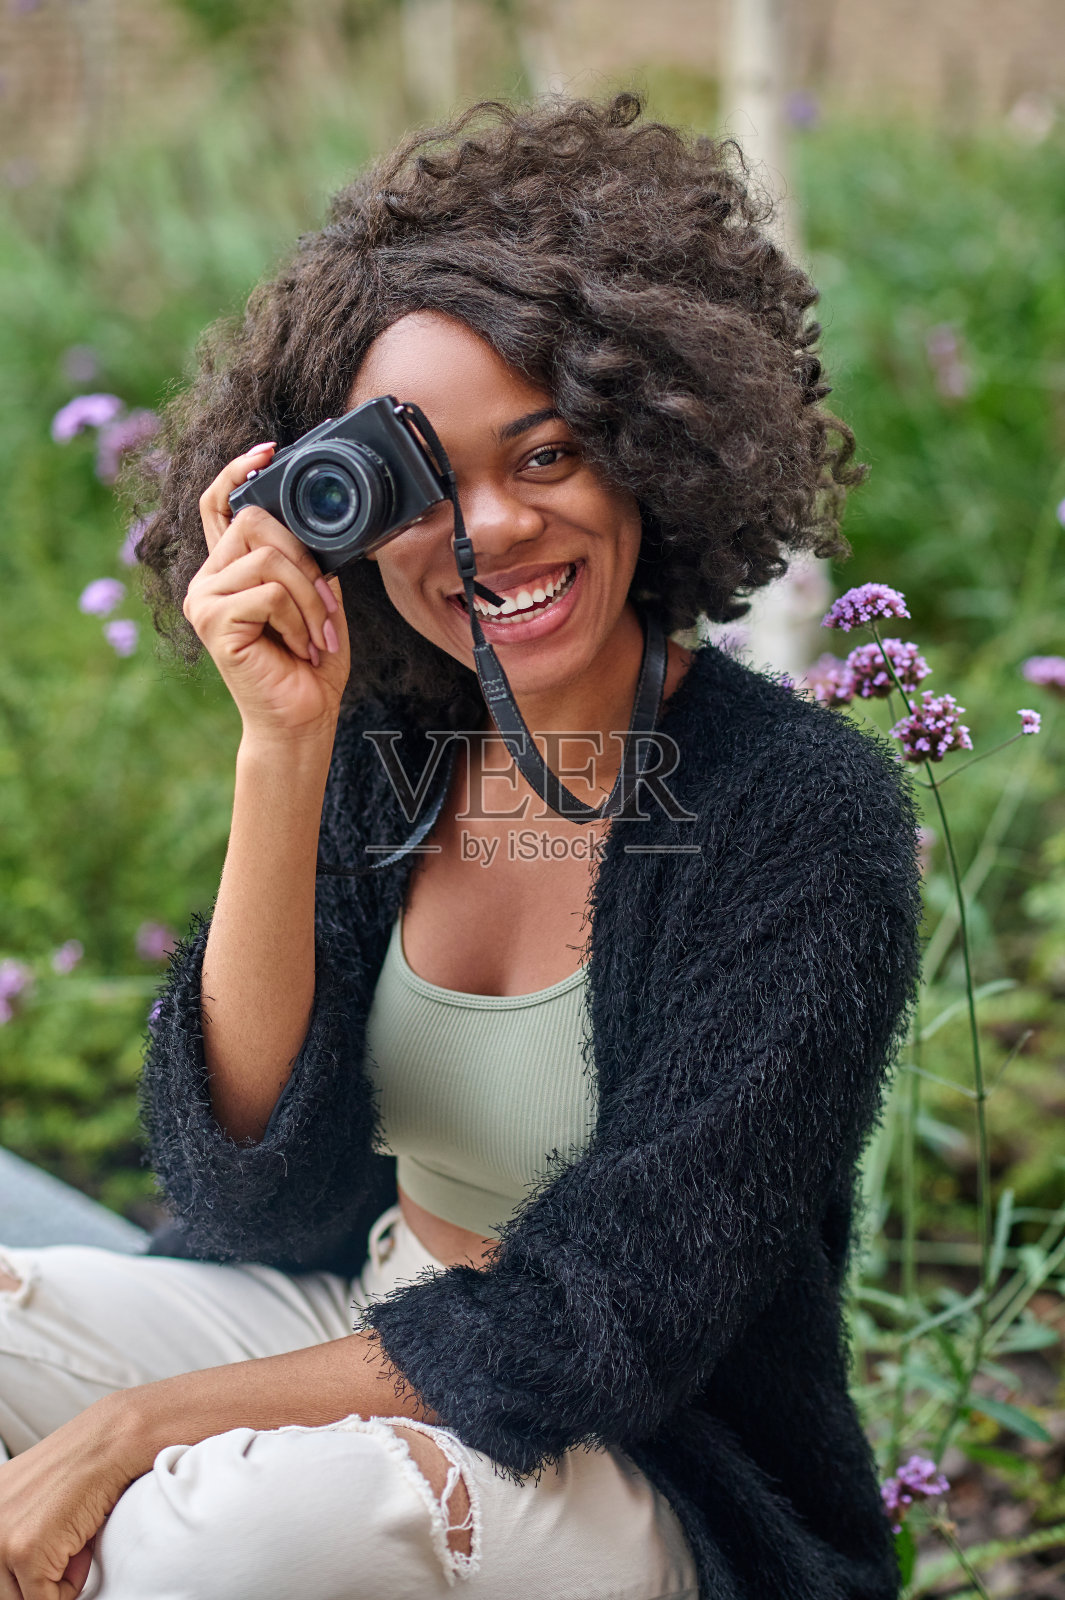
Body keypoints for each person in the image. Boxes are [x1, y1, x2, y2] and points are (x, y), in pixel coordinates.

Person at [0, 94, 921, 1600]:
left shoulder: (801, 819)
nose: (486, 529)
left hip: (639, 1459)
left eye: (545, 454)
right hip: (363, 1316)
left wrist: (135, 1430)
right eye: (422, 484)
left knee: (215, 1533)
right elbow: (240, 1206)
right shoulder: (391, 751)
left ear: (649, 447)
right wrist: (282, 748)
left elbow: (593, 1328)